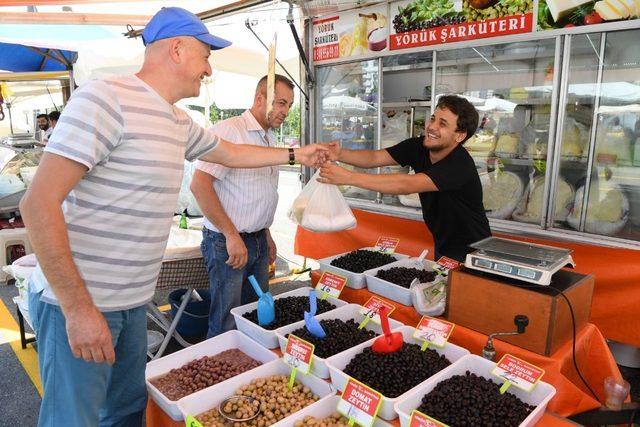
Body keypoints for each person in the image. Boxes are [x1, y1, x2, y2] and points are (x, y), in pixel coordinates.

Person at [19, 7, 326, 427]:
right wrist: (79, 311)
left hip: (132, 303)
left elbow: (232, 153)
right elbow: (37, 205)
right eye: (205, 56)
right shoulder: (104, 99)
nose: (209, 70)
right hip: (85, 303)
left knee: (126, 411)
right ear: (177, 49)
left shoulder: (178, 120)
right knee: (74, 419)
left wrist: (296, 154)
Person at [319, 95, 491, 262]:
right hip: (443, 243)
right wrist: (340, 154)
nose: (431, 127)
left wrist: (348, 177)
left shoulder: (459, 164)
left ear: (459, 135)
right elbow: (374, 158)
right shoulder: (418, 146)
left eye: (442, 124)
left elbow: (406, 184)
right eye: (432, 119)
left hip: (475, 251)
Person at [190, 74, 294, 338]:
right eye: (281, 103)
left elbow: (258, 192)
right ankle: (220, 375)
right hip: (228, 242)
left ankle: (251, 373)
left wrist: (266, 233)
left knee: (256, 316)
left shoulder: (268, 138)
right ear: (260, 98)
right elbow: (200, 185)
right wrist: (231, 235)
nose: (285, 112)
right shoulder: (229, 131)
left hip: (258, 241)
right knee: (227, 321)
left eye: (289, 105)